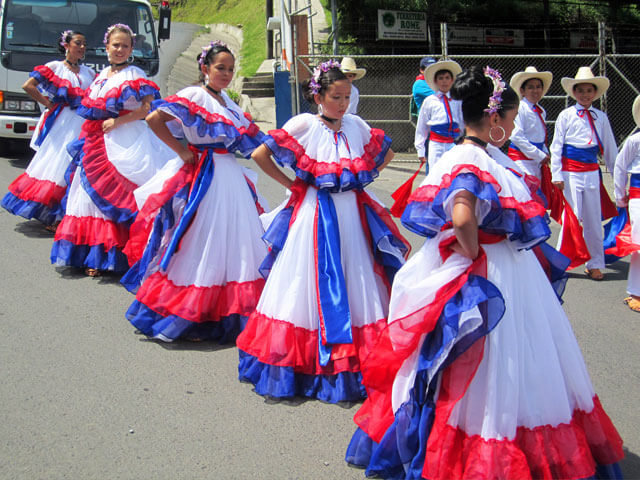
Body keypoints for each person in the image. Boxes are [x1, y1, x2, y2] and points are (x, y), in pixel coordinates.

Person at [346, 66, 624, 479]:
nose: (511, 126)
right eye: (509, 119)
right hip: (493, 269)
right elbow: (462, 217)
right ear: (494, 118)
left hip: (500, 266)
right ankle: (500, 446)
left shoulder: (480, 156)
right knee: (506, 357)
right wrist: (474, 251)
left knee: (495, 356)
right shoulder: (476, 159)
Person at [236, 60, 409, 403]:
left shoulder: (356, 126)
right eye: (336, 96)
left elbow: (384, 153)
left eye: (346, 96)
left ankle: (355, 358)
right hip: (315, 213)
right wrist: (293, 184)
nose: (343, 103)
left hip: (352, 213)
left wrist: (364, 177)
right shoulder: (304, 124)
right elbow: (260, 153)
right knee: (308, 280)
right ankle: (307, 361)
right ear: (318, 96)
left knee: (357, 275)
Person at [122, 41, 268, 342]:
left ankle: (220, 312)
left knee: (234, 241)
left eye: (230, 69)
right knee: (203, 241)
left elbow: (250, 140)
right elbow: (154, 118)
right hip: (207, 173)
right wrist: (180, 150)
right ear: (205, 69)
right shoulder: (194, 94)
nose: (226, 74)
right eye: (220, 68)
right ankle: (189, 315)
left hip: (229, 175)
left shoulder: (226, 100)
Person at [51, 24, 172, 277]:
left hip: (123, 138)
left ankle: (111, 256)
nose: (120, 50)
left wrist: (117, 122)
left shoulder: (134, 74)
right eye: (116, 45)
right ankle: (89, 253)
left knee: (116, 195)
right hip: (96, 139)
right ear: (107, 47)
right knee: (86, 195)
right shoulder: (102, 74)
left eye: (125, 46)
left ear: (131, 49)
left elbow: (148, 108)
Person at [2, 30, 95, 230]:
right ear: (66, 45)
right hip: (63, 123)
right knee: (58, 165)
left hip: (82, 124)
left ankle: (63, 215)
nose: (81, 47)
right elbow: (29, 85)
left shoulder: (89, 73)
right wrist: (48, 104)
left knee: (76, 167)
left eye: (84, 44)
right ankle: (54, 216)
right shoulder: (55, 67)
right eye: (78, 43)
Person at [550, 66, 618, 281]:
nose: (585, 94)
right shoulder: (566, 115)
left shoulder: (601, 117)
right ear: (575, 93)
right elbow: (556, 146)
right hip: (571, 173)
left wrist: (618, 177)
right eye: (581, 91)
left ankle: (595, 263)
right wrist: (557, 174)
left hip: (592, 173)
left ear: (595, 93)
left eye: (589, 91)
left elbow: (610, 147)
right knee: (572, 218)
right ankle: (559, 263)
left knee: (592, 221)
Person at [612, 95, 640, 312]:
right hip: (638, 196)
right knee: (639, 246)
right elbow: (621, 167)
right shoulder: (634, 140)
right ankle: (635, 291)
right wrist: (620, 196)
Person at [414, 59, 464, 170]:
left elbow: (462, 121)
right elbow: (422, 126)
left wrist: (462, 140)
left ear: (452, 80)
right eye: (440, 78)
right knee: (436, 172)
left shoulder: (457, 99)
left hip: (455, 143)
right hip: (436, 144)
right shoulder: (430, 101)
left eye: (447, 78)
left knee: (455, 172)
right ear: (435, 81)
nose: (444, 81)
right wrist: (420, 149)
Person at [508, 66, 553, 180]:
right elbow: (516, 136)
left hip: (535, 160)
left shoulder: (540, 111)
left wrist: (544, 152)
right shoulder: (520, 108)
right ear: (522, 91)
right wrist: (539, 154)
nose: (535, 90)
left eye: (538, 87)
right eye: (531, 87)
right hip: (522, 160)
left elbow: (540, 135)